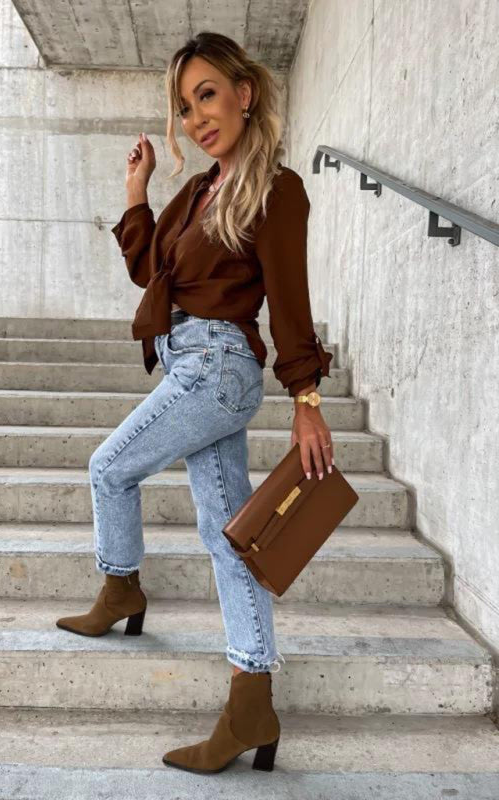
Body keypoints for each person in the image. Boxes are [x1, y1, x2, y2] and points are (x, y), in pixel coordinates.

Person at [56, 31, 334, 774]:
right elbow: (151, 270)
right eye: (183, 106)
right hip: (191, 360)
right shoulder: (200, 190)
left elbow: (290, 300)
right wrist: (136, 191)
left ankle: (121, 587)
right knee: (228, 535)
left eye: (206, 95)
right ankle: (251, 705)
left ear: (245, 93)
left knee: (109, 467)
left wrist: (306, 395)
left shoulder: (275, 189)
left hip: (216, 367)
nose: (195, 118)